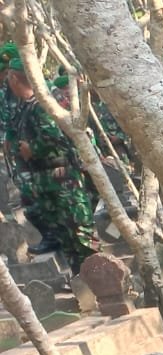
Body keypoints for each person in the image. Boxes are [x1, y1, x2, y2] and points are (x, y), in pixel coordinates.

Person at [1, 53, 96, 270]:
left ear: (14, 79)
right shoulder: (27, 106)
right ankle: (83, 284)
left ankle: (101, 282)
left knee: (80, 238)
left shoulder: (43, 106)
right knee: (66, 239)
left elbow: (62, 140)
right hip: (46, 181)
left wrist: (32, 148)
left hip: (63, 180)